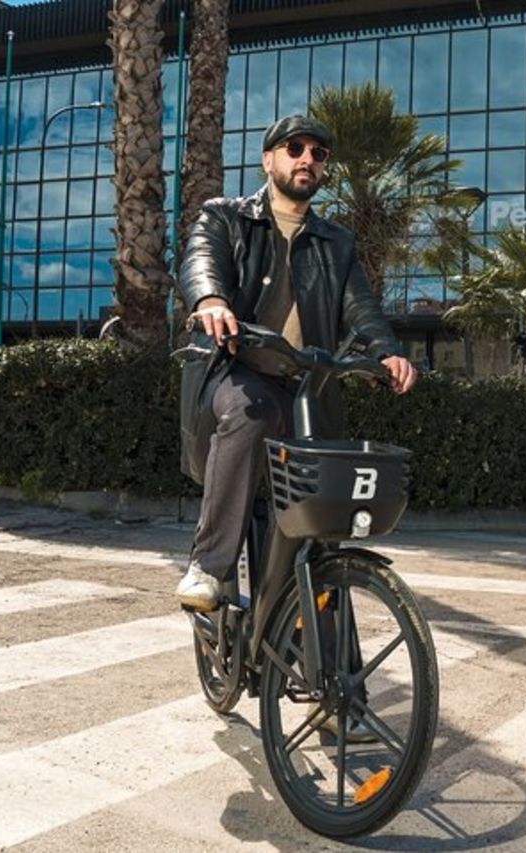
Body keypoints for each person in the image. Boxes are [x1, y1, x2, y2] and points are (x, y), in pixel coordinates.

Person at [175, 114, 416, 612]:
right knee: (252, 413)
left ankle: (332, 662)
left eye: (318, 153)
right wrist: (211, 301)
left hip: (307, 385)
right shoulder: (225, 216)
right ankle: (210, 567)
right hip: (238, 371)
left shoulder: (337, 242)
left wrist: (387, 350)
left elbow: (361, 306)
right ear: (269, 159)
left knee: (326, 501)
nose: (307, 158)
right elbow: (200, 259)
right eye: (294, 148)